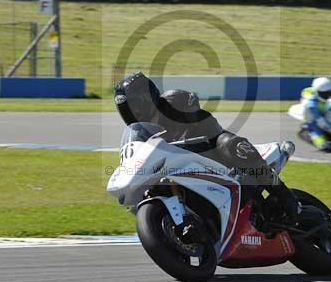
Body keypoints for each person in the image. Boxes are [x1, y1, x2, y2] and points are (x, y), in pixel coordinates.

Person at [114, 71, 300, 224]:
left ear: (146, 97)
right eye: (125, 108)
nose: (131, 111)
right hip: (178, 168)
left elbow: (203, 119)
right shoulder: (138, 133)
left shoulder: (173, 101)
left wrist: (188, 137)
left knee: (231, 144)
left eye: (134, 104)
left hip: (209, 149)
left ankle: (284, 194)